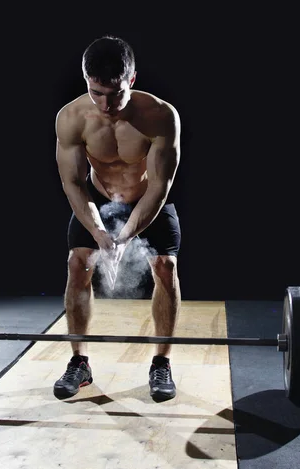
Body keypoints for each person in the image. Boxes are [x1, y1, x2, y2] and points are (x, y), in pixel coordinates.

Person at [53, 35, 182, 402]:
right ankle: (79, 363)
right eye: (96, 93)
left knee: (165, 266)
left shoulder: (160, 116)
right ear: (86, 81)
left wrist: (124, 236)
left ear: (133, 79)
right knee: (77, 263)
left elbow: (160, 186)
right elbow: (73, 183)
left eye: (116, 93)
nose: (106, 104)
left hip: (146, 200)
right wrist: (98, 232)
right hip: (97, 196)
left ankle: (161, 363)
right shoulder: (71, 118)